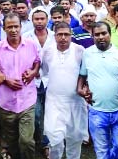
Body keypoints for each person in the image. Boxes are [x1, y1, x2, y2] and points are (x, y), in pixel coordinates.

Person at [0, 13, 40, 159]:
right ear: (4, 29)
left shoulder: (31, 45)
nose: (13, 30)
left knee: (27, 140)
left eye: (16, 26)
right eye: (10, 27)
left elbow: (37, 62)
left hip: (27, 100)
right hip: (6, 102)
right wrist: (4, 79)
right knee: (11, 140)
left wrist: (33, 72)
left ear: (21, 27)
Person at [78, 21, 118, 159]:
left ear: (110, 34)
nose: (101, 37)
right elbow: (83, 75)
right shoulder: (87, 54)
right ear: (92, 36)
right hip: (96, 111)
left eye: (104, 33)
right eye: (97, 35)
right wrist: (80, 89)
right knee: (101, 150)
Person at [42, 21, 87, 159]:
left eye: (66, 34)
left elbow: (86, 73)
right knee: (54, 137)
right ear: (54, 36)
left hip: (76, 101)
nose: (63, 38)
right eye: (59, 34)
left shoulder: (80, 50)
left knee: (75, 138)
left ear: (71, 35)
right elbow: (44, 72)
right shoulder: (48, 51)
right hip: (54, 101)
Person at [22, 9, 55, 157]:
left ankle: (47, 144)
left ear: (47, 19)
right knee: (36, 115)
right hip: (32, 82)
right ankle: (37, 140)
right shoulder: (26, 37)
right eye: (36, 19)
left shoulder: (55, 36)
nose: (40, 22)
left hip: (52, 80)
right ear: (32, 20)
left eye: (42, 18)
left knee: (50, 115)